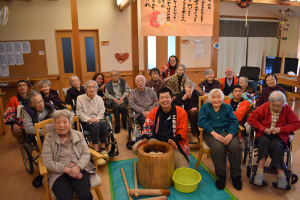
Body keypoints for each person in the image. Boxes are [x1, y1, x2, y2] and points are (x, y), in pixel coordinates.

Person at [247, 91, 300, 189]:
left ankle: (281, 176)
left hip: (279, 136)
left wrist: (281, 129)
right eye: (273, 105)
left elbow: (297, 123)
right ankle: (259, 172)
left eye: (278, 106)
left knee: (276, 145)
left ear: (283, 104)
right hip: (264, 134)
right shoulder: (265, 106)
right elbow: (251, 118)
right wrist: (263, 128)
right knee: (264, 142)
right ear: (269, 102)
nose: (275, 108)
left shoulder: (287, 109)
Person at [42, 110, 95, 200]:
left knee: (85, 196)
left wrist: (78, 167)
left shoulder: (78, 135)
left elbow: (86, 153)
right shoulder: (49, 138)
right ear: (54, 124)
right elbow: (47, 161)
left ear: (70, 123)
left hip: (79, 169)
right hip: (58, 173)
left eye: (65, 122)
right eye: (58, 122)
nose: (61, 125)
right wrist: (67, 170)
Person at [132, 87, 190, 169]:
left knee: (184, 169)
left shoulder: (181, 112)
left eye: (167, 97)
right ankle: (158, 158)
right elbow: (147, 127)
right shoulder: (154, 111)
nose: (164, 100)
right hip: (157, 139)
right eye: (161, 98)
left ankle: (161, 158)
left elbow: (183, 131)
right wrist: (145, 138)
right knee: (135, 148)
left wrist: (174, 141)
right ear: (158, 101)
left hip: (175, 142)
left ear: (172, 98)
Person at [198, 89, 242, 191]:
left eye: (219, 97)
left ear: (222, 98)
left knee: (236, 147)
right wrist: (214, 133)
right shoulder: (205, 108)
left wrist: (230, 134)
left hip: (228, 132)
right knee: (218, 148)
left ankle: (236, 175)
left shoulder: (228, 107)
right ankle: (221, 175)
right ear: (210, 99)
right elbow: (202, 122)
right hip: (211, 133)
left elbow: (234, 122)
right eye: (213, 97)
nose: (216, 99)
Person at [76, 80, 108, 165]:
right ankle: (96, 150)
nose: (92, 89)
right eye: (89, 87)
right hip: (86, 121)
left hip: (97, 119)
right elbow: (79, 113)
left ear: (97, 89)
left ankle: (103, 148)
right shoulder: (80, 98)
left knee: (103, 123)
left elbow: (102, 110)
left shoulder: (99, 98)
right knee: (95, 126)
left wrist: (97, 119)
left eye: (94, 87)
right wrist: (90, 119)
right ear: (86, 89)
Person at [4, 80, 29, 144]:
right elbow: (8, 113)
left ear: (27, 87)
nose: (22, 87)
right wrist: (13, 124)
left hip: (31, 122)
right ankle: (23, 143)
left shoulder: (32, 97)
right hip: (19, 124)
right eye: (20, 86)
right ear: (17, 89)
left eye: (24, 85)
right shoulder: (13, 100)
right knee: (17, 131)